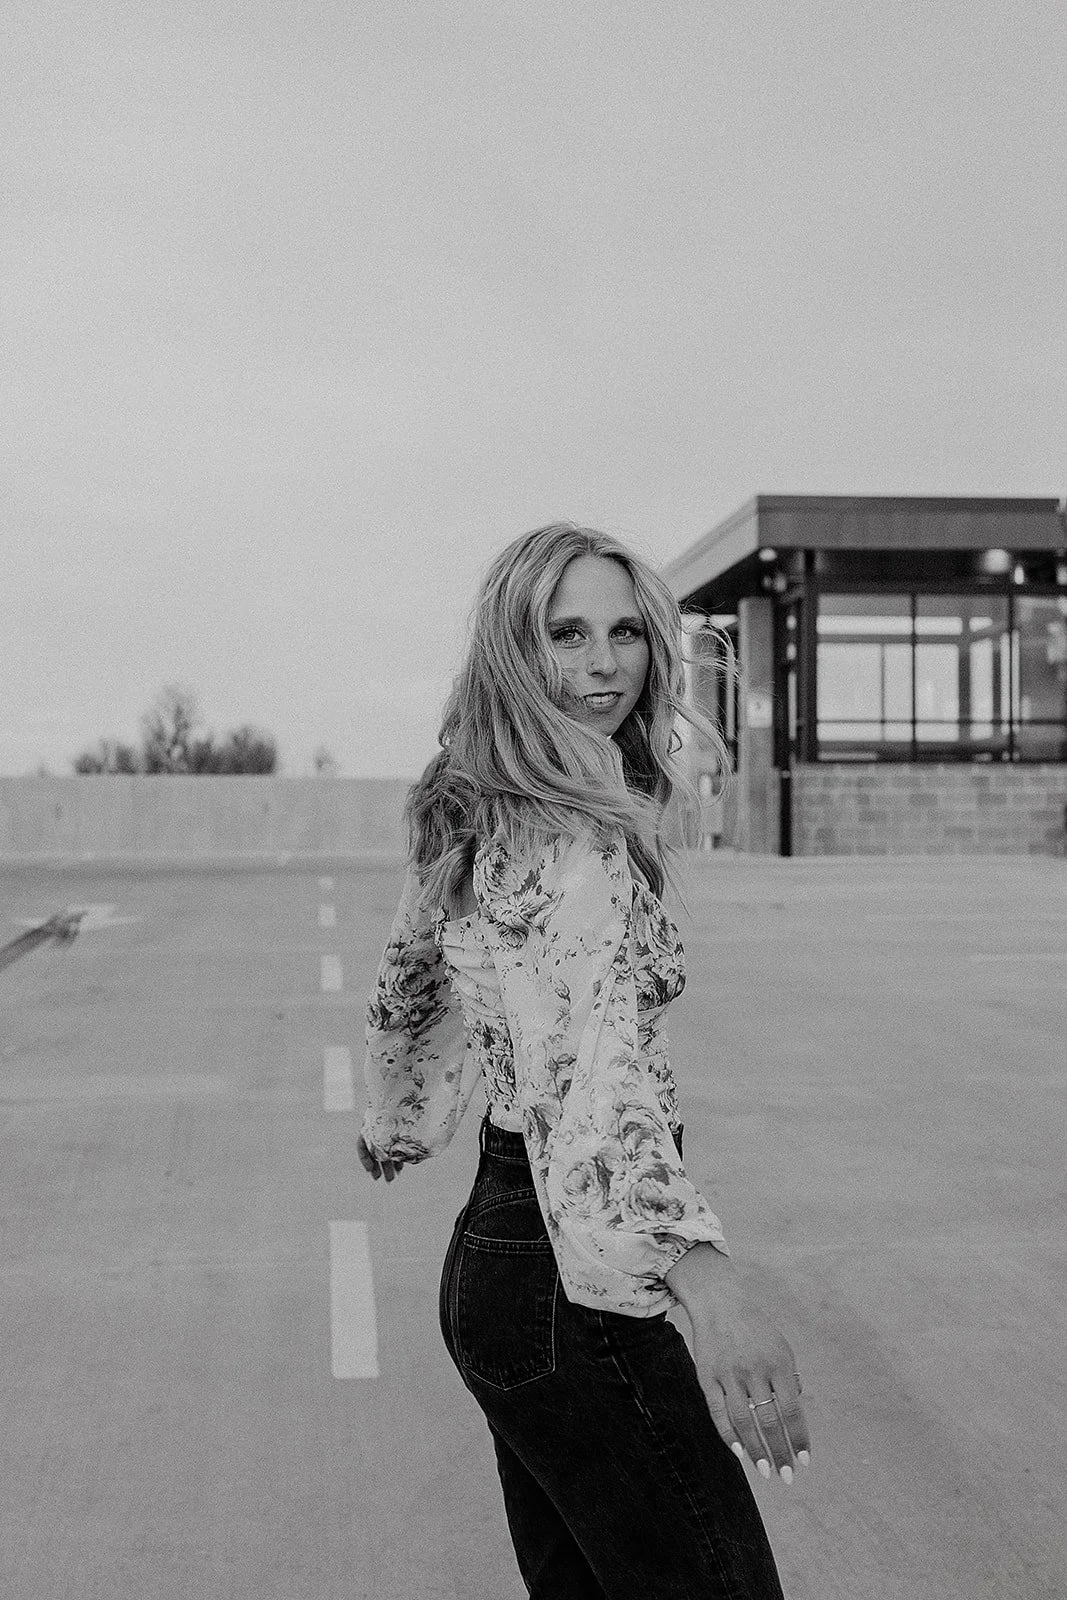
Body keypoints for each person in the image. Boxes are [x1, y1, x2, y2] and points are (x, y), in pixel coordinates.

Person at [358, 523, 810, 1599]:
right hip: (570, 1271)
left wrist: (403, 1112)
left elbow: (408, 972)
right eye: (566, 634)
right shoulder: (574, 832)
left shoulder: (479, 803)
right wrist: (705, 1280)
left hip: (496, 1259)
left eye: (623, 633)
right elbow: (590, 1082)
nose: (603, 664)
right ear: (516, 647)